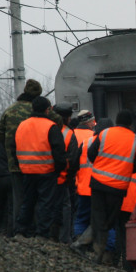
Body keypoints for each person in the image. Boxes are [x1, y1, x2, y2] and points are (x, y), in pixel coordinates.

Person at [0, 79, 62, 229]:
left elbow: (0, 134)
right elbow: (58, 123)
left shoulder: (10, 110)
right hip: (41, 164)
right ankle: (38, 232)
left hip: (15, 163)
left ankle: (18, 232)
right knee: (40, 199)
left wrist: (11, 151)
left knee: (20, 199)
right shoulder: (42, 110)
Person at [87, 109, 136, 265]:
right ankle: (95, 253)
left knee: (98, 218)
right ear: (130, 123)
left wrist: (102, 165)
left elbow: (91, 153)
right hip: (117, 187)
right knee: (108, 221)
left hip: (97, 182)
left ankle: (91, 251)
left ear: (116, 120)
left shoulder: (105, 133)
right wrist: (123, 169)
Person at [12, 96, 67, 238]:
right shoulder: (51, 127)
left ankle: (21, 230)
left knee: (27, 201)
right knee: (45, 203)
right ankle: (41, 234)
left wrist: (21, 165)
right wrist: (59, 169)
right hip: (46, 171)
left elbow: (13, 148)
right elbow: (59, 151)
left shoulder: (22, 125)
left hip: (27, 171)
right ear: (47, 110)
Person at [51, 103, 81, 243]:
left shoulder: (47, 128)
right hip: (62, 178)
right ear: (68, 118)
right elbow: (74, 159)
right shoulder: (69, 133)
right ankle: (64, 239)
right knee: (65, 207)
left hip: (43, 176)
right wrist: (70, 178)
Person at [71, 112, 101, 239]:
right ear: (89, 122)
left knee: (79, 216)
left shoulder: (72, 134)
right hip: (97, 184)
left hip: (78, 184)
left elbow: (74, 162)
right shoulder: (95, 137)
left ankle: (78, 241)